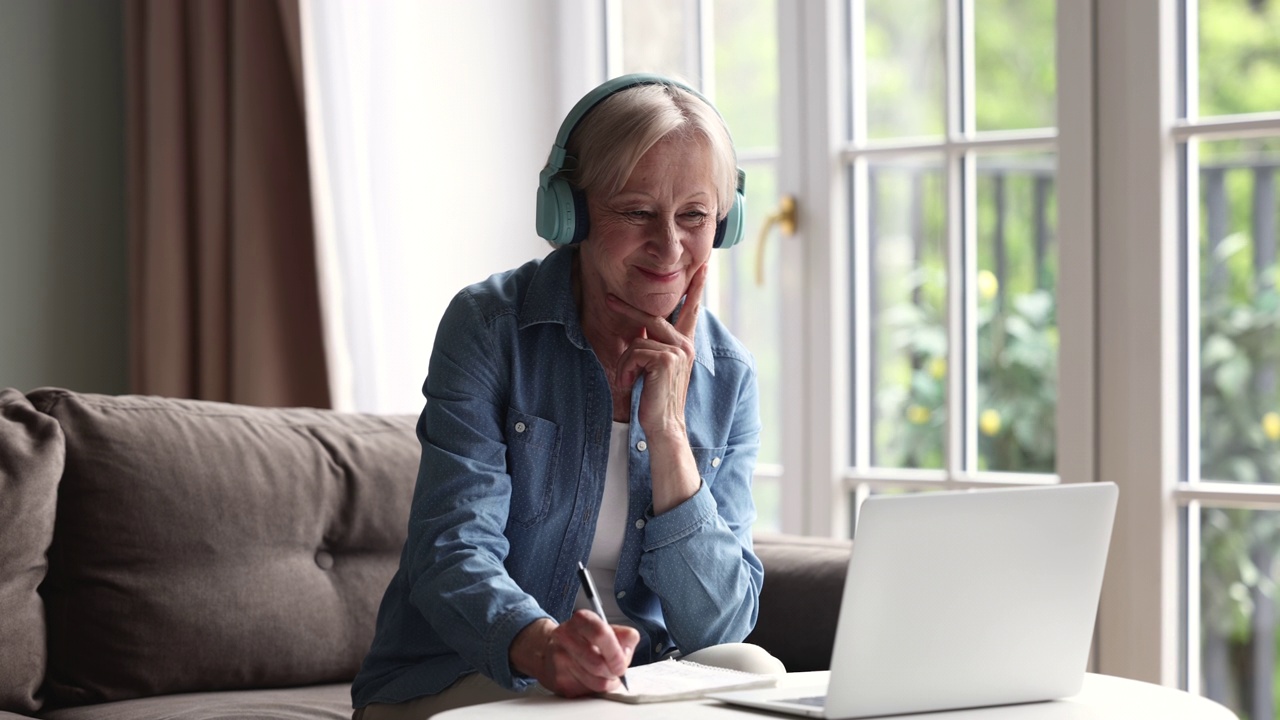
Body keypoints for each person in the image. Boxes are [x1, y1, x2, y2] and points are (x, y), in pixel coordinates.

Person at [350, 74, 781, 720]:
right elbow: (452, 551)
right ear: (569, 212)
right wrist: (545, 647)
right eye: (637, 211)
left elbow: (719, 626)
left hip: (632, 686)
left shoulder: (729, 374)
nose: (669, 247)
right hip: (471, 673)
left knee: (756, 672)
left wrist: (667, 434)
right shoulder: (489, 329)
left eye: (693, 216)